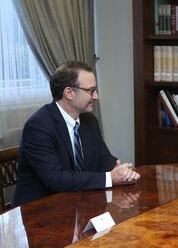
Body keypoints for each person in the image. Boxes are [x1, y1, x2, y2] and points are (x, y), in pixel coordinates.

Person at [12, 61, 140, 206]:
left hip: (79, 203)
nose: (96, 96)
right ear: (69, 93)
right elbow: (56, 180)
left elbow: (104, 160)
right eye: (91, 91)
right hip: (41, 210)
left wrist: (120, 171)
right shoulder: (38, 126)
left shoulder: (89, 121)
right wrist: (110, 178)